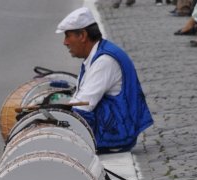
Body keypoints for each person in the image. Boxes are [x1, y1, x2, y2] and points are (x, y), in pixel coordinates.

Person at [55, 7, 153, 154]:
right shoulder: (100, 52)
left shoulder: (104, 61)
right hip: (116, 127)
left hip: (117, 135)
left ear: (82, 35)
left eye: (68, 36)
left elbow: (81, 108)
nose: (65, 42)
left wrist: (54, 126)